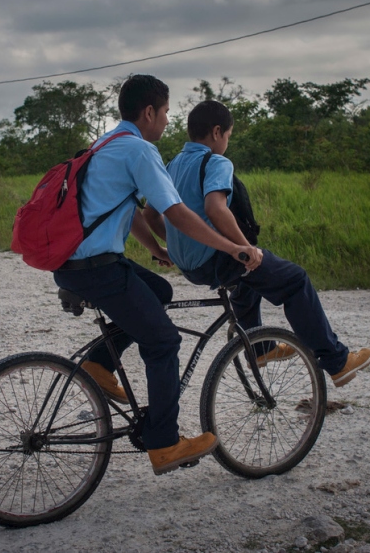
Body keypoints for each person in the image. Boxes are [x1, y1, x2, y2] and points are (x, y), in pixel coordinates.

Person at [53, 76, 262, 476]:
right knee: (164, 341)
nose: (167, 121)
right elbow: (179, 212)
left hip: (75, 263)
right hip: (97, 268)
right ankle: (164, 443)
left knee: (159, 291)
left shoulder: (105, 143)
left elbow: (130, 211)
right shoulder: (140, 150)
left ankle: (99, 364)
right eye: (165, 112)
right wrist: (232, 247)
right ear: (149, 112)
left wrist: (156, 250)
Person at [151, 99, 370, 387]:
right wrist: (245, 248)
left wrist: (179, 244)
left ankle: (260, 349)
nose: (227, 143)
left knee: (246, 282)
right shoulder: (216, 161)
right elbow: (215, 208)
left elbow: (150, 214)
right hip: (216, 260)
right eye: (229, 136)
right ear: (217, 132)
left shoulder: (173, 164)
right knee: (294, 280)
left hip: (189, 266)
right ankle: (337, 362)